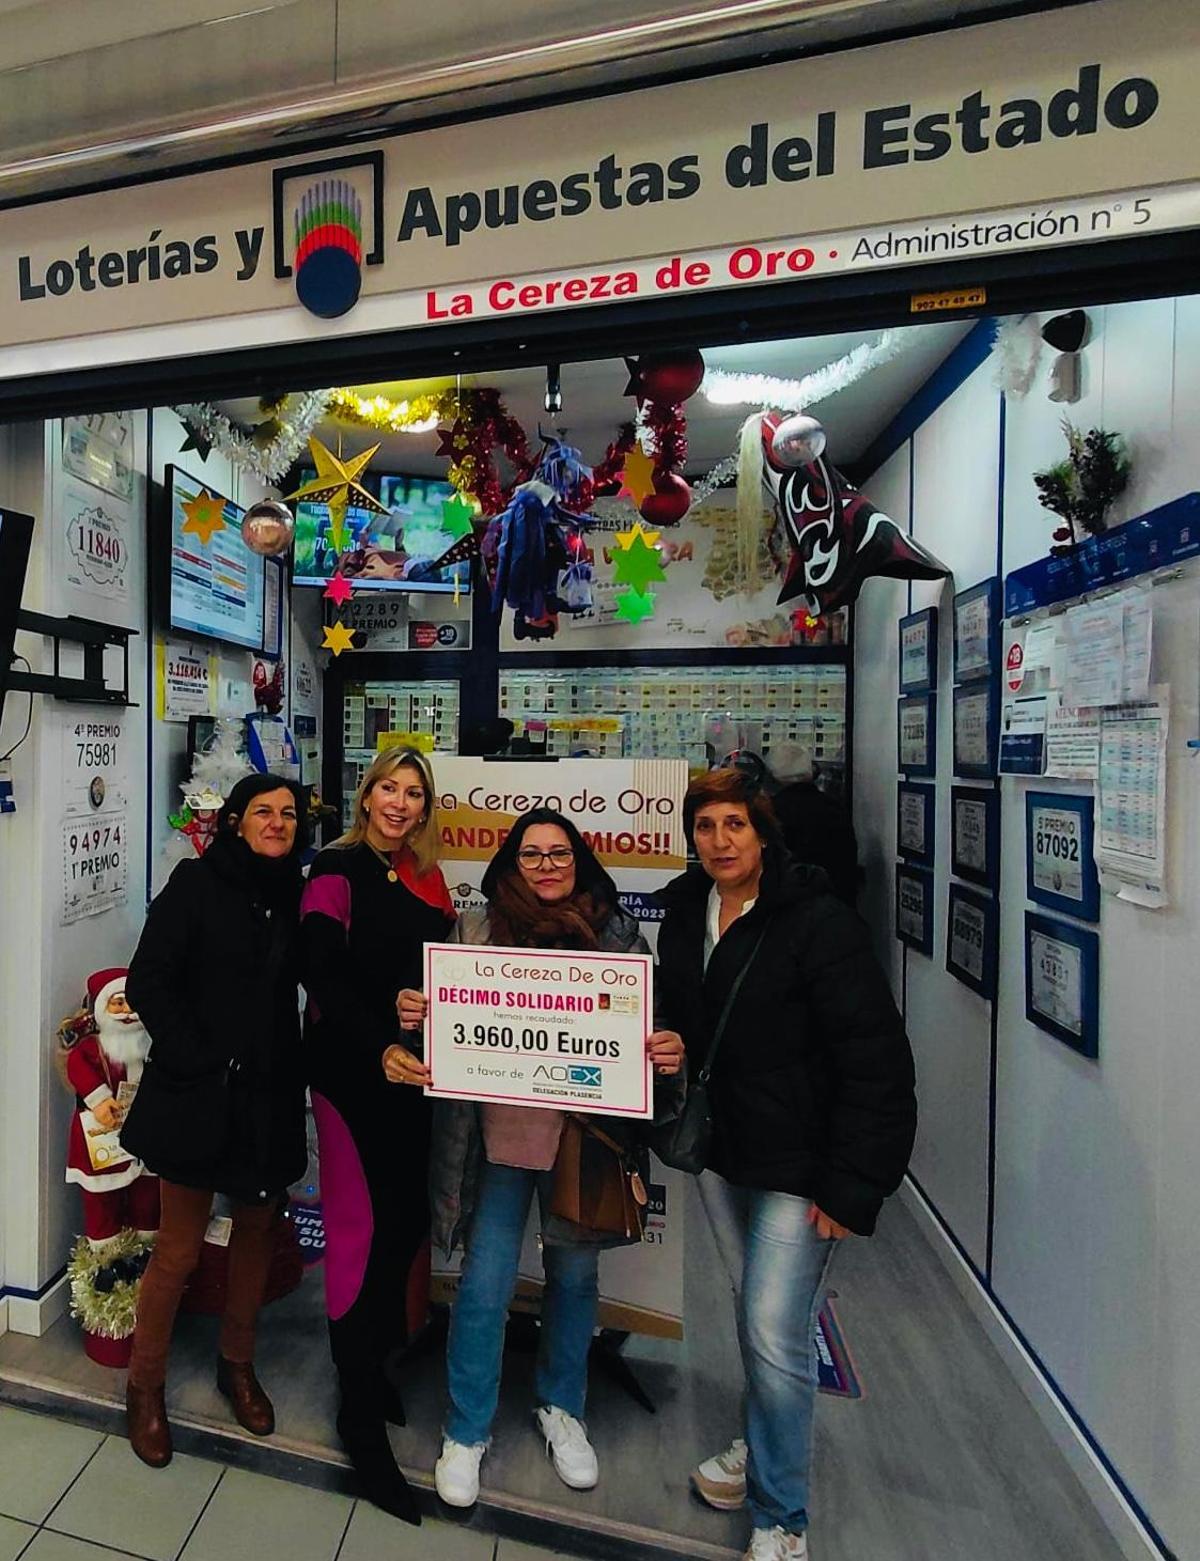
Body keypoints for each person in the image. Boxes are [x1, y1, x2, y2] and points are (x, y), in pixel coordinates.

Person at [654, 766, 916, 1561]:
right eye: (705, 826)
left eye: (735, 824)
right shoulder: (680, 912)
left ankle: (782, 1517)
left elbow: (875, 1059)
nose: (720, 841)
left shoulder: (817, 922)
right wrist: (672, 1043)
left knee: (774, 1326)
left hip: (801, 1163)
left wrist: (851, 1183)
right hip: (725, 1151)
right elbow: (690, 1016)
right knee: (760, 1313)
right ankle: (758, 1444)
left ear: (764, 834)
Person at [394, 809, 685, 1509]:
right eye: (532, 854)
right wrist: (416, 1012)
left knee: (575, 1280)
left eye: (559, 853)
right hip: (495, 1142)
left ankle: (562, 1407)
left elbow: (648, 1030)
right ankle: (466, 1429)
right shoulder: (474, 929)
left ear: (579, 860)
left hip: (582, 1143)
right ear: (511, 864)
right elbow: (445, 1024)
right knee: (485, 1285)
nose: (547, 865)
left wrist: (663, 1048)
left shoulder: (618, 934)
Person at [120, 774, 308, 1469]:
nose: (278, 821)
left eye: (289, 813)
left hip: (268, 1098)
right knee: (178, 1249)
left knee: (257, 1232)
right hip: (197, 1097)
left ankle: (237, 1362)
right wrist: (195, 1053)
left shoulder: (294, 889)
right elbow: (149, 979)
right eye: (264, 810)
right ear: (233, 820)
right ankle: (144, 1385)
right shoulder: (195, 885)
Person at [299, 747, 454, 1526]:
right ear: (367, 796)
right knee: (360, 1236)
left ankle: (374, 1365)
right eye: (388, 788)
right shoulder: (337, 867)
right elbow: (321, 974)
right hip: (354, 1077)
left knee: (403, 1226)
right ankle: (358, 1416)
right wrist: (380, 1043)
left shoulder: (428, 877)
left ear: (427, 807)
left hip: (412, 1080)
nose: (399, 802)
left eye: (414, 792)